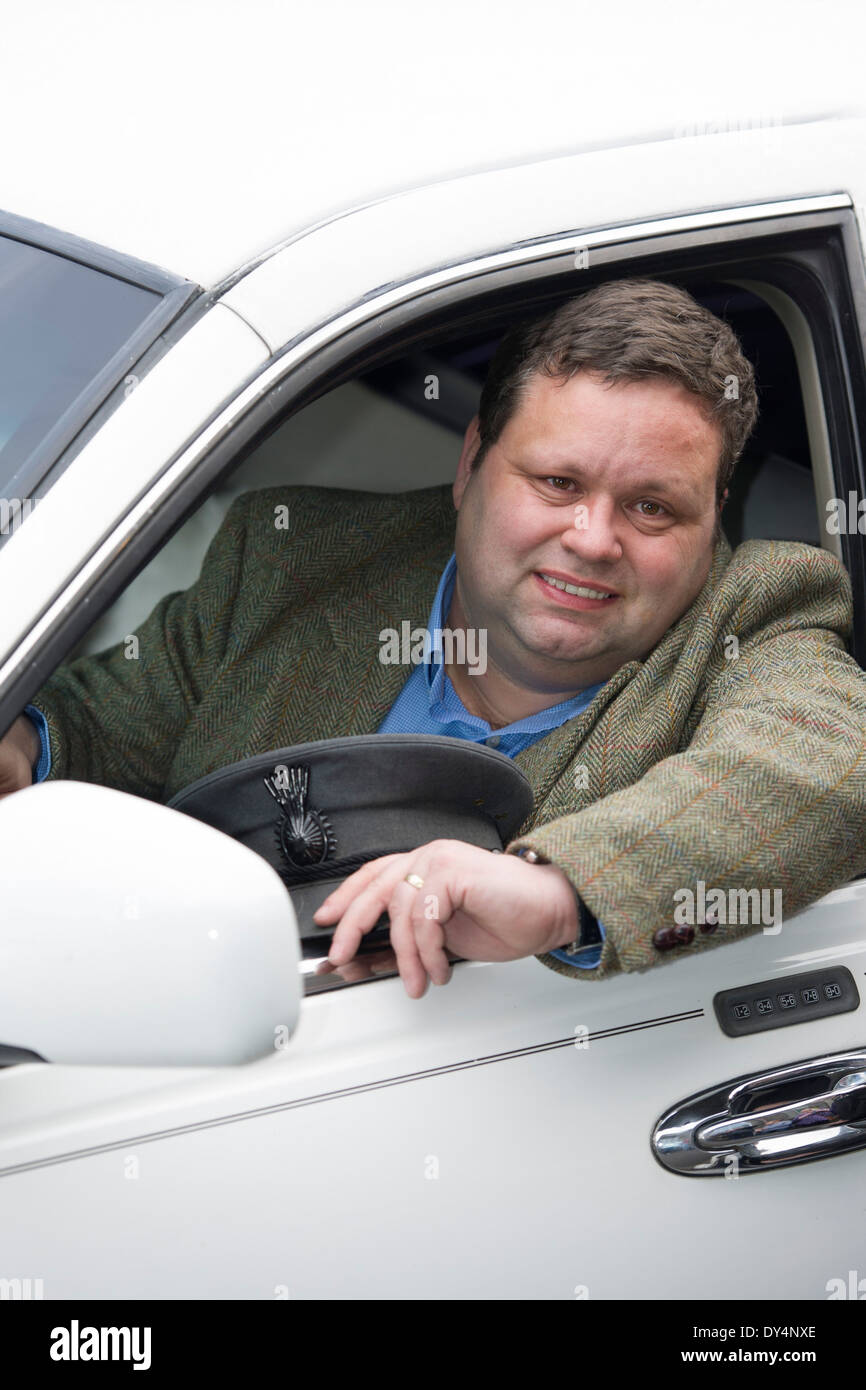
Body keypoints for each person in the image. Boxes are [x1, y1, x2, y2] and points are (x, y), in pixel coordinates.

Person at [3, 278, 866, 998]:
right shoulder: (291, 556)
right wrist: (25, 748)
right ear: (472, 465)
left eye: (652, 507)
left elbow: (834, 767)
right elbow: (92, 733)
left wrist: (558, 886)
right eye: (558, 481)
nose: (594, 538)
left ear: (713, 516)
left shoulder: (756, 612)